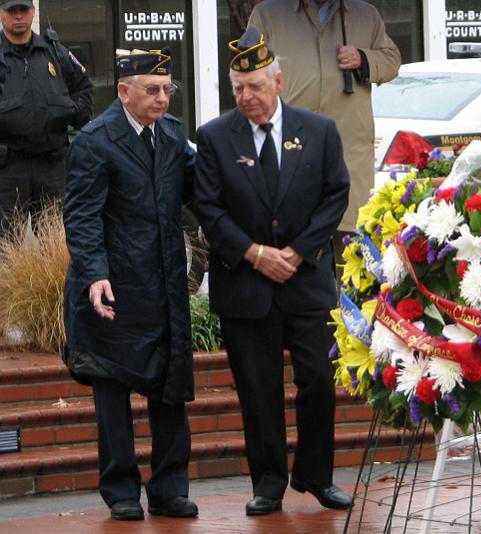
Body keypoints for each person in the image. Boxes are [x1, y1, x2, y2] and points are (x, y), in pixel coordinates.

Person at [194, 28, 351, 516]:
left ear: (278, 82)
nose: (246, 97)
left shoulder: (319, 130)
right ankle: (268, 482)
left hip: (305, 281)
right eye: (237, 87)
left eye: (255, 87)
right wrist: (255, 253)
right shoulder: (214, 137)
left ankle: (316, 476)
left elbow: (335, 195)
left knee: (319, 381)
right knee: (258, 391)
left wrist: (298, 253)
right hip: (246, 285)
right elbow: (208, 208)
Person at [62, 48, 197, 521]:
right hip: (113, 286)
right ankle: (121, 491)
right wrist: (95, 273)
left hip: (163, 284)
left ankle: (169, 488)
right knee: (112, 386)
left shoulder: (175, 136)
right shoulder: (95, 141)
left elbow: (198, 195)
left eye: (167, 90)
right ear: (123, 91)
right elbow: (81, 216)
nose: (162, 99)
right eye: (152, 90)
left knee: (169, 385)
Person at [248, 0, 400, 249]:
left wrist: (363, 58)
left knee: (350, 246)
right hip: (289, 150)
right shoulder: (268, 15)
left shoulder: (366, 16)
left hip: (349, 151)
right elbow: (247, 71)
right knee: (291, 242)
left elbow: (392, 60)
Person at [0, 0, 92, 237]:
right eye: (12, 11)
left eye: (24, 10)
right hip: (8, 168)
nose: (18, 16)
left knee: (58, 241)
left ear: (33, 12)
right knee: (6, 246)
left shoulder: (56, 51)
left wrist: (71, 111)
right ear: (1, 13)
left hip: (53, 166)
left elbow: (84, 89)